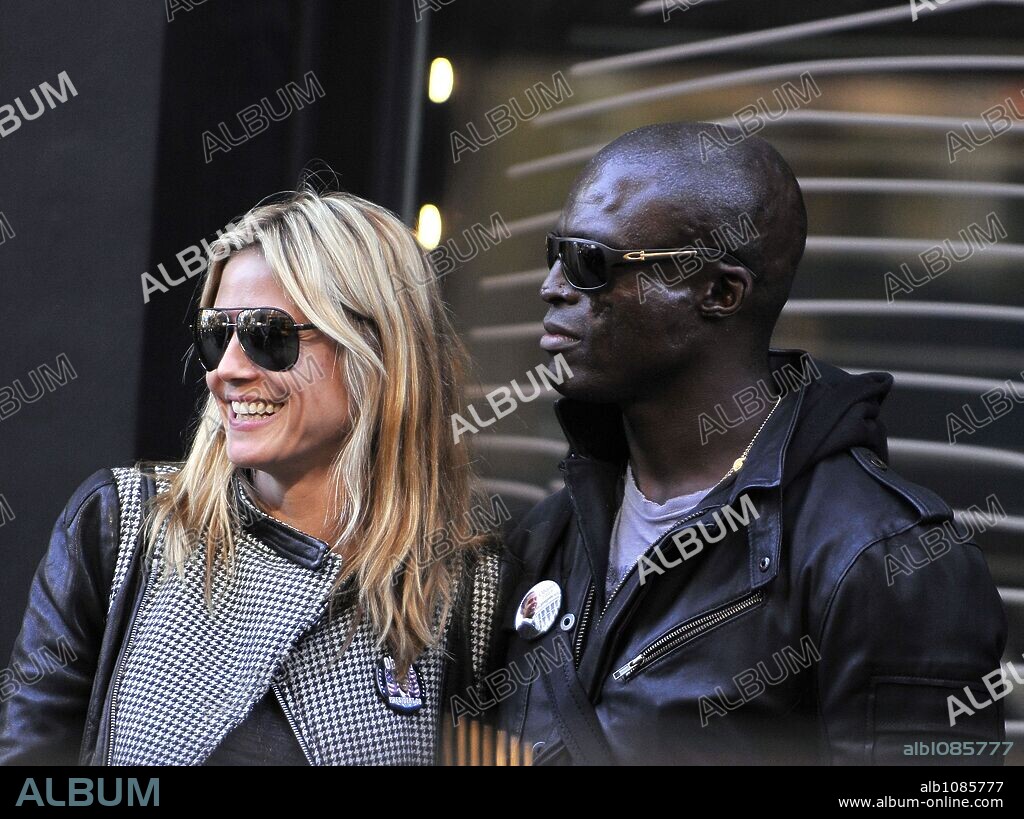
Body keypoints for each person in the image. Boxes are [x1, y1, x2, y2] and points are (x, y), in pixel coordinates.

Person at [497, 122, 1008, 765]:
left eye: (590, 263)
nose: (553, 287)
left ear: (720, 292)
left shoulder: (884, 559)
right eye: (555, 253)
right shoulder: (545, 539)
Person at [0, 188, 506, 765]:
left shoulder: (470, 590)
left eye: (270, 336)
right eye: (217, 335)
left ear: (376, 348)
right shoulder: (124, 526)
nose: (228, 370)